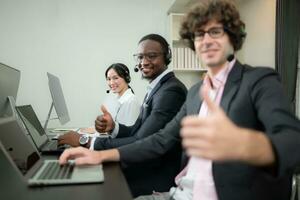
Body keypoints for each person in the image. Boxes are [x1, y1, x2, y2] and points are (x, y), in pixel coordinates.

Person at [59, 0, 300, 199]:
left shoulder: (258, 81)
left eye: (215, 31)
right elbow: (159, 140)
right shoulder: (196, 93)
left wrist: (245, 144)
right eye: (199, 34)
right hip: (180, 193)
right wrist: (98, 154)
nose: (206, 40)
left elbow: (293, 142)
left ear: (233, 37)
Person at [59, 34, 188, 196]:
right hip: (147, 165)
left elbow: (142, 140)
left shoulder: (170, 91)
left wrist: (87, 141)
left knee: (88, 188)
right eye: (140, 57)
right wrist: (113, 127)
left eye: (152, 56)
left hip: (155, 174)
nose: (144, 62)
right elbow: (137, 130)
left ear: (167, 57)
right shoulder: (158, 88)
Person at [58, 63, 141, 142]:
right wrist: (96, 129)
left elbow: (128, 135)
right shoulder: (117, 99)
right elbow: (115, 128)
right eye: (108, 79)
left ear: (126, 78)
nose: (111, 83)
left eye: (115, 78)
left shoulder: (131, 101)